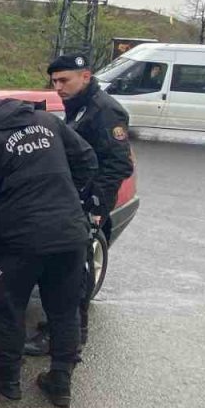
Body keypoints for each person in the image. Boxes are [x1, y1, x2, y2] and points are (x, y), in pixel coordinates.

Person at [0, 82, 97, 408]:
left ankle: (7, 379)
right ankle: (60, 382)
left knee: (9, 309)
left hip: (17, 243)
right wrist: (66, 200)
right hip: (69, 235)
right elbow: (87, 160)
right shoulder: (46, 121)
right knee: (65, 310)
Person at [25, 52, 136, 356]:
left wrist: (95, 206)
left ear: (85, 76)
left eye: (64, 80)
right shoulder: (79, 105)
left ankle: (63, 337)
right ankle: (68, 331)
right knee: (70, 273)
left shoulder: (105, 110)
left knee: (71, 277)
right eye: (54, 82)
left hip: (86, 204)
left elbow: (118, 164)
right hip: (73, 199)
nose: (57, 87)